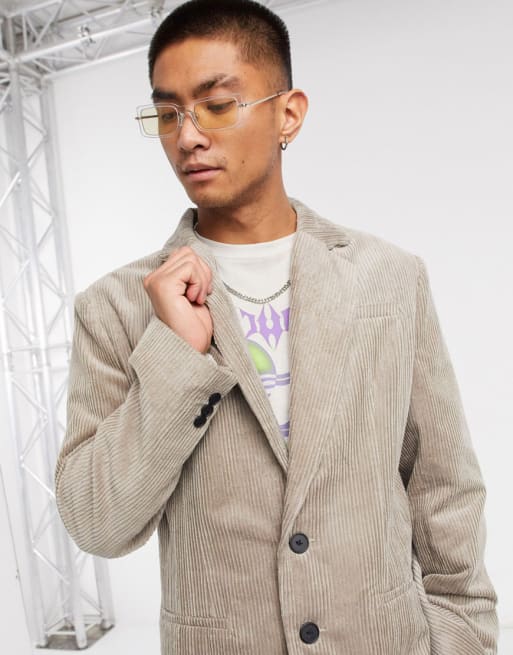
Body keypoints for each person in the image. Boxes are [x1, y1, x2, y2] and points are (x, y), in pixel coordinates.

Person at [54, 1, 499, 653]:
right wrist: (175, 357)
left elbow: (443, 487)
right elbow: (97, 523)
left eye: (216, 105)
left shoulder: (388, 277)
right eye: (168, 113)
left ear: (288, 114)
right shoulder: (115, 307)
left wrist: (462, 639)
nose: (187, 137)